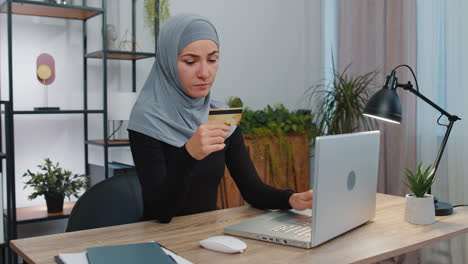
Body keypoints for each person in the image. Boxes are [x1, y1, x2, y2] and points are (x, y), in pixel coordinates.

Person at [128, 13, 313, 223]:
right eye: (190, 61)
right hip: (161, 241)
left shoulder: (220, 115)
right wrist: (189, 154)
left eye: (213, 59)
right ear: (168, 62)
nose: (205, 73)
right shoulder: (147, 119)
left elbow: (252, 189)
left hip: (208, 235)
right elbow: (162, 212)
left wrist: (292, 199)